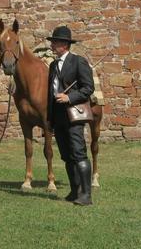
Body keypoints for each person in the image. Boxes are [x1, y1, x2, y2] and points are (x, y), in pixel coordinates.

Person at [46, 25, 94, 206]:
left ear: (64, 45)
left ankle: (86, 195)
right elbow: (49, 93)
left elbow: (88, 88)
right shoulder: (52, 65)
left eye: (55, 42)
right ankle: (75, 191)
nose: (52, 45)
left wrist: (69, 97)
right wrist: (50, 119)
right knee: (66, 155)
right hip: (58, 117)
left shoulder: (78, 62)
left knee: (78, 153)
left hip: (74, 115)